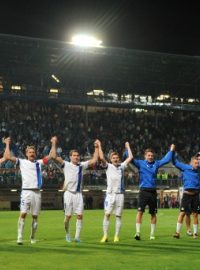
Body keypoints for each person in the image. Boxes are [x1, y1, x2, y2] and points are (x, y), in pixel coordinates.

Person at [5, 136, 57, 245]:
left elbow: (52, 156)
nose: (32, 153)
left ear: (35, 153)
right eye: (30, 152)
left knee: (35, 216)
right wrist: (7, 144)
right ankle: (19, 237)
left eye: (33, 152)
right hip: (26, 192)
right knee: (23, 214)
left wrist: (53, 143)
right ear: (26, 153)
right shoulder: (22, 162)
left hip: (37, 192)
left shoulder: (39, 162)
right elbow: (8, 156)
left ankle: (32, 237)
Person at [125, 144, 175, 240]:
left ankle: (152, 234)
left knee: (153, 213)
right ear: (145, 156)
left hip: (152, 192)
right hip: (143, 191)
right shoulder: (140, 163)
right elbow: (130, 158)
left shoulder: (156, 163)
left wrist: (171, 150)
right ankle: (138, 233)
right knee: (140, 211)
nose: (150, 157)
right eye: (149, 155)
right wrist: (128, 148)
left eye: (152, 155)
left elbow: (166, 160)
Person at [54, 140, 98, 243]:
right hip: (69, 193)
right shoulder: (66, 164)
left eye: (77, 155)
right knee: (68, 216)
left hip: (78, 194)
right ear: (70, 157)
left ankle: (77, 237)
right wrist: (54, 143)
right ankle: (67, 234)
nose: (76, 157)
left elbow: (94, 160)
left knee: (80, 216)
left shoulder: (81, 165)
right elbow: (55, 156)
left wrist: (96, 147)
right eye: (74, 155)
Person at [97, 140, 133, 243]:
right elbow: (101, 158)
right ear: (111, 159)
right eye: (113, 158)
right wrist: (99, 145)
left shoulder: (122, 166)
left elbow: (130, 157)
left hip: (120, 195)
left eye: (117, 158)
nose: (116, 159)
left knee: (118, 216)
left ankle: (116, 236)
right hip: (110, 195)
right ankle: (105, 235)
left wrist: (128, 146)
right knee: (107, 214)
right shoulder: (108, 166)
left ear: (119, 159)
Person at [173, 155, 200, 239]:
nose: (197, 164)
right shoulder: (185, 167)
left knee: (195, 214)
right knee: (182, 213)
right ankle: (177, 233)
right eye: (195, 163)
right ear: (191, 163)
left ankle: (195, 233)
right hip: (186, 194)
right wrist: (172, 152)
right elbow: (175, 162)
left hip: (196, 195)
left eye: (198, 163)